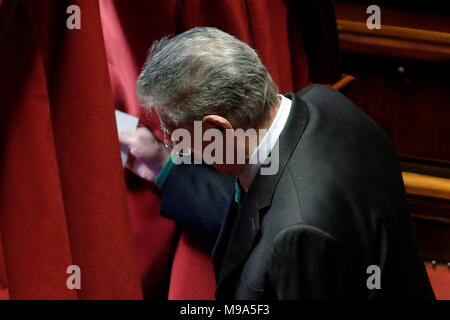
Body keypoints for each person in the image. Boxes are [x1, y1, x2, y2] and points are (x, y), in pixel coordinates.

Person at [121, 27, 435, 299]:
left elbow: (286, 225)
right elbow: (262, 209)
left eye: (175, 136)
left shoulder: (299, 235)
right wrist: (165, 168)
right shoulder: (323, 103)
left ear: (218, 129)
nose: (175, 147)